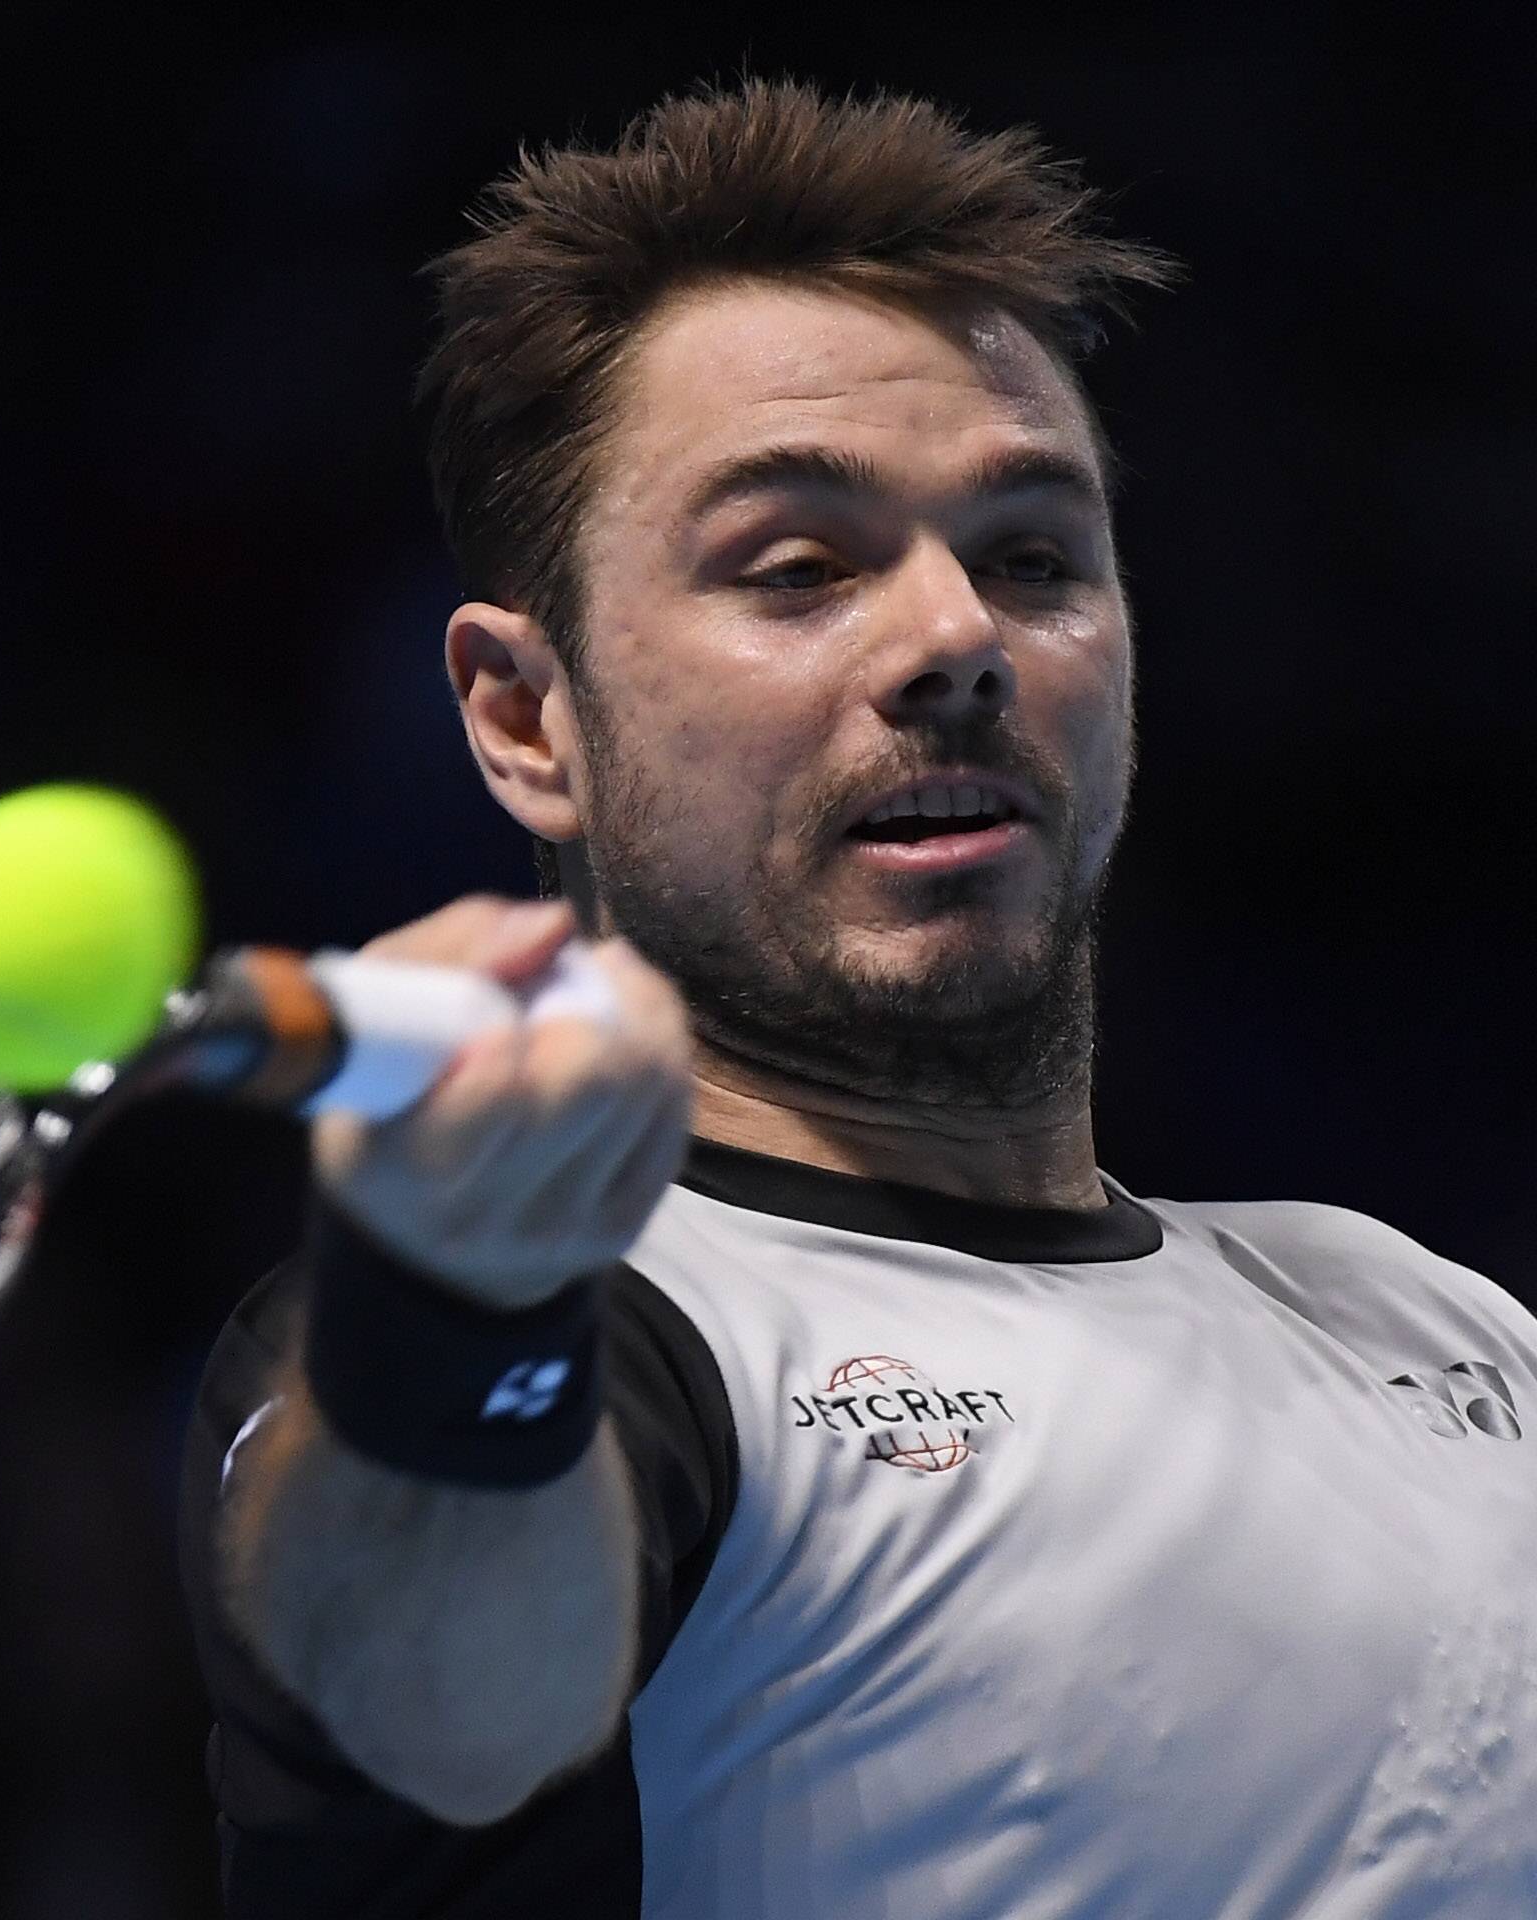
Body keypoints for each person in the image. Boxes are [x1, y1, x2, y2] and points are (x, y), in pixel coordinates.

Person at [177, 79, 1537, 1917]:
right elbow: (449, 1703)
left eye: (1034, 555)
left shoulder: (1426, 1315)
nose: (958, 638)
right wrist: (444, 1307)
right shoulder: (608, 1346)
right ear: (525, 715)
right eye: (799, 569)